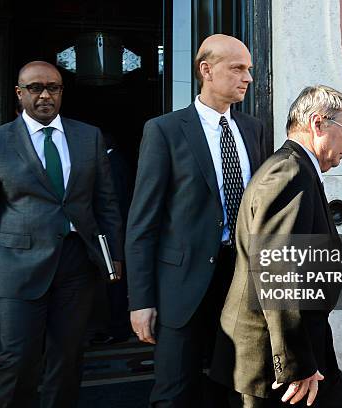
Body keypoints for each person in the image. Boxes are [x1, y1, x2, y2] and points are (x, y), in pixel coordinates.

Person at [0, 61, 123, 408]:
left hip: (77, 266)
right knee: (18, 361)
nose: (45, 95)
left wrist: (114, 258)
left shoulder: (88, 136)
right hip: (17, 268)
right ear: (20, 94)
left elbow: (105, 204)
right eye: (36, 88)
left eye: (54, 87)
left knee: (67, 361)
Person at [126, 34, 267, 407]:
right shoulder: (165, 131)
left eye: (249, 69)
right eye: (237, 68)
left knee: (234, 389)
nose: (247, 78)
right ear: (206, 70)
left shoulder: (253, 129)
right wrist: (141, 301)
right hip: (182, 286)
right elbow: (143, 223)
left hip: (240, 281)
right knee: (175, 392)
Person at [211, 85, 342, 407]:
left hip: (302, 346)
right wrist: (296, 364)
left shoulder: (297, 169)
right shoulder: (289, 173)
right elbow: (277, 272)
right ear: (318, 123)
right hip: (272, 361)